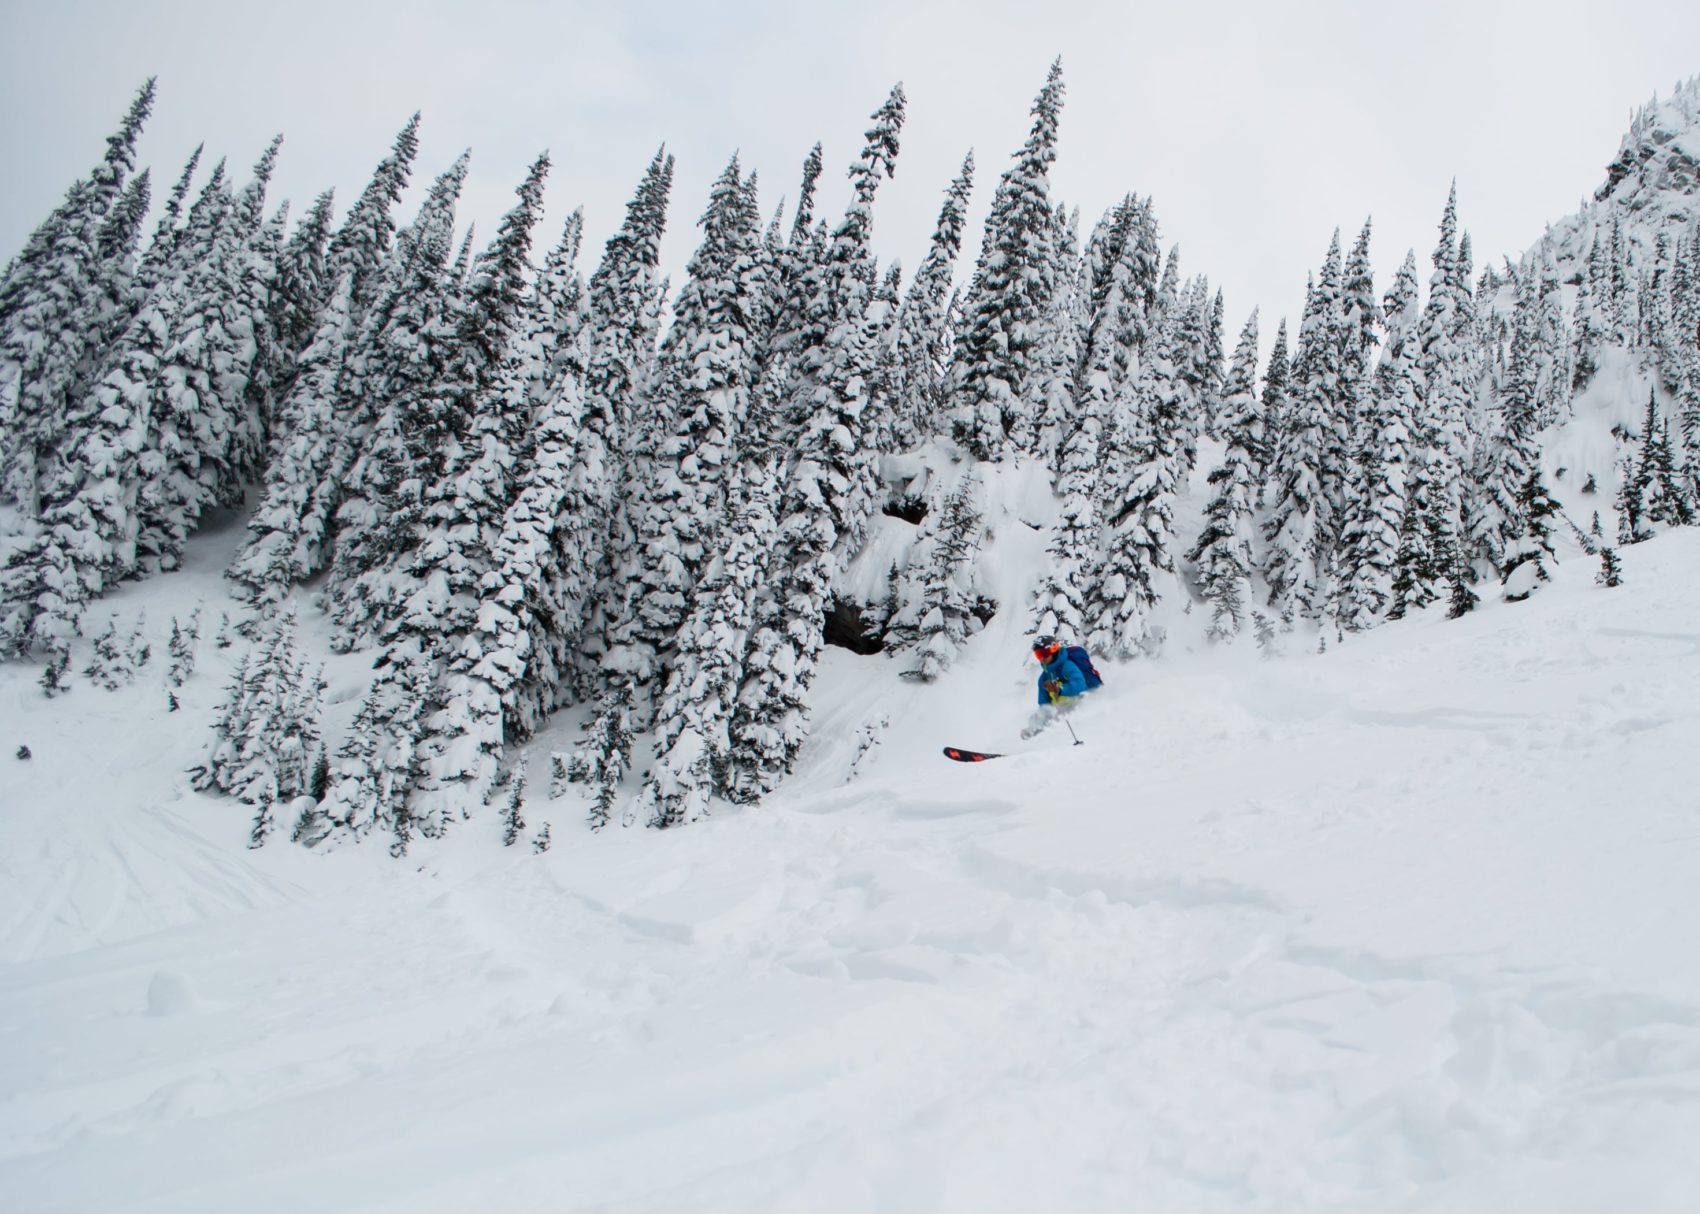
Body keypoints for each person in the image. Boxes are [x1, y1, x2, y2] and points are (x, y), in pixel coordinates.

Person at [1021, 635, 1094, 739]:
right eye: (1038, 655)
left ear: (1053, 650)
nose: (1042, 658)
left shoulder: (1067, 666)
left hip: (1078, 706)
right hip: (1059, 712)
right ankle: (1031, 735)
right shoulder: (1043, 678)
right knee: (1036, 717)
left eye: (1044, 653)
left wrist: (1061, 689)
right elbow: (1044, 705)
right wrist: (1036, 724)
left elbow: (1080, 685)